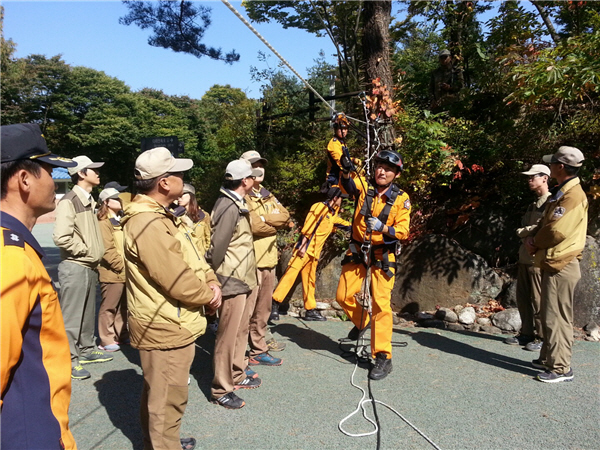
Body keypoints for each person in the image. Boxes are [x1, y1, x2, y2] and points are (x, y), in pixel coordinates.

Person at [122, 146, 221, 449]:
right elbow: (175, 278)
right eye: (178, 173)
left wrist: (210, 280)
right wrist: (208, 296)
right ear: (164, 182)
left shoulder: (161, 217)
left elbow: (193, 259)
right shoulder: (148, 222)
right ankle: (164, 444)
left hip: (172, 319)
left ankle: (163, 441)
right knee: (167, 398)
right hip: (165, 323)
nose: (183, 178)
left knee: (162, 394)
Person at [1, 123, 78, 449]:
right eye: (48, 169)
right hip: (26, 434)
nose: (54, 180)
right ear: (24, 179)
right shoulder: (10, 256)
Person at [336, 149, 411, 381]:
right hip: (358, 249)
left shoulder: (401, 198)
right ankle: (364, 321)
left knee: (380, 304)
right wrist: (345, 170)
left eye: (388, 169)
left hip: (383, 253)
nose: (382, 172)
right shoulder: (364, 186)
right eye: (379, 167)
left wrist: (383, 227)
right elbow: (347, 186)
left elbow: (403, 231)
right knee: (343, 296)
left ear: (396, 174)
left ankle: (383, 356)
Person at [526, 146, 588, 383]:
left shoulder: (573, 196)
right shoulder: (563, 191)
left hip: (561, 263)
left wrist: (534, 242)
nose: (549, 166)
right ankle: (548, 358)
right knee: (550, 313)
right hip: (554, 261)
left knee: (557, 317)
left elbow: (557, 230)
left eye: (552, 163)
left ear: (560, 167)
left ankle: (561, 368)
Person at [206, 159, 261, 409]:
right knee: (227, 335)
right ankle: (221, 388)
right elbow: (217, 246)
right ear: (245, 181)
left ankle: (236, 373)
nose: (255, 180)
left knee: (240, 330)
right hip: (231, 278)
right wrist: (212, 276)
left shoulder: (236, 202)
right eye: (252, 177)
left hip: (243, 277)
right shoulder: (228, 205)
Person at [53, 154, 112, 380]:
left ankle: (86, 350)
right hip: (75, 265)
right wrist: (86, 251)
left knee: (87, 313)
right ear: (81, 173)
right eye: (93, 169)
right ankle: (68, 360)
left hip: (87, 265)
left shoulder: (88, 199)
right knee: (71, 317)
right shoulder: (70, 200)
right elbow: (61, 237)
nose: (98, 173)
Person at [272, 187, 351, 321]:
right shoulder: (319, 207)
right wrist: (303, 247)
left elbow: (342, 224)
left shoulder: (332, 214)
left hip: (314, 254)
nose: (342, 201)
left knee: (309, 280)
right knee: (290, 275)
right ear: (335, 198)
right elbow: (308, 227)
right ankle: (274, 304)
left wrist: (358, 227)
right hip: (305, 249)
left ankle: (310, 309)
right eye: (341, 198)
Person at [241, 150, 289, 360]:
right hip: (250, 261)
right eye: (254, 165)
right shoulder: (242, 194)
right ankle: (239, 355)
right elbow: (253, 226)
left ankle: (258, 349)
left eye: (261, 165)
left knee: (263, 310)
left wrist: (265, 218)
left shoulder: (267, 194)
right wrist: (273, 224)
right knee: (246, 311)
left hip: (269, 261)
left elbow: (285, 216)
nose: (259, 169)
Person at [504, 164, 551, 351]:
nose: (529, 180)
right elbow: (522, 228)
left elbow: (543, 228)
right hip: (524, 257)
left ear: (545, 178)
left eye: (533, 177)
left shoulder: (551, 203)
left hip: (537, 259)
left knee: (538, 299)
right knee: (522, 298)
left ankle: (542, 337)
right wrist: (526, 235)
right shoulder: (533, 205)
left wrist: (526, 233)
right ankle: (526, 333)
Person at [96, 187, 129, 353]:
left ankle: (120, 333)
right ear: (106, 202)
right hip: (112, 272)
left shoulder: (120, 220)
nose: (120, 200)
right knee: (109, 306)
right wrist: (121, 266)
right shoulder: (103, 222)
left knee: (123, 307)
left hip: (124, 272)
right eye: (116, 198)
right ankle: (106, 338)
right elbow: (107, 249)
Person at [324, 112, 360, 191]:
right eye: (341, 129)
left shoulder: (342, 143)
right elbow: (341, 161)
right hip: (334, 180)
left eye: (345, 129)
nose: (343, 131)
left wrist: (353, 160)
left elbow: (345, 158)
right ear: (336, 129)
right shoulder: (334, 144)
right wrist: (354, 168)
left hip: (341, 178)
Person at [178, 183, 211, 254]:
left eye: (182, 194)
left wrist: (206, 255)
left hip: (201, 255)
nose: (179, 198)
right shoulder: (176, 216)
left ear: (191, 195)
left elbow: (209, 238)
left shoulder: (204, 216)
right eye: (178, 195)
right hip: (185, 255)